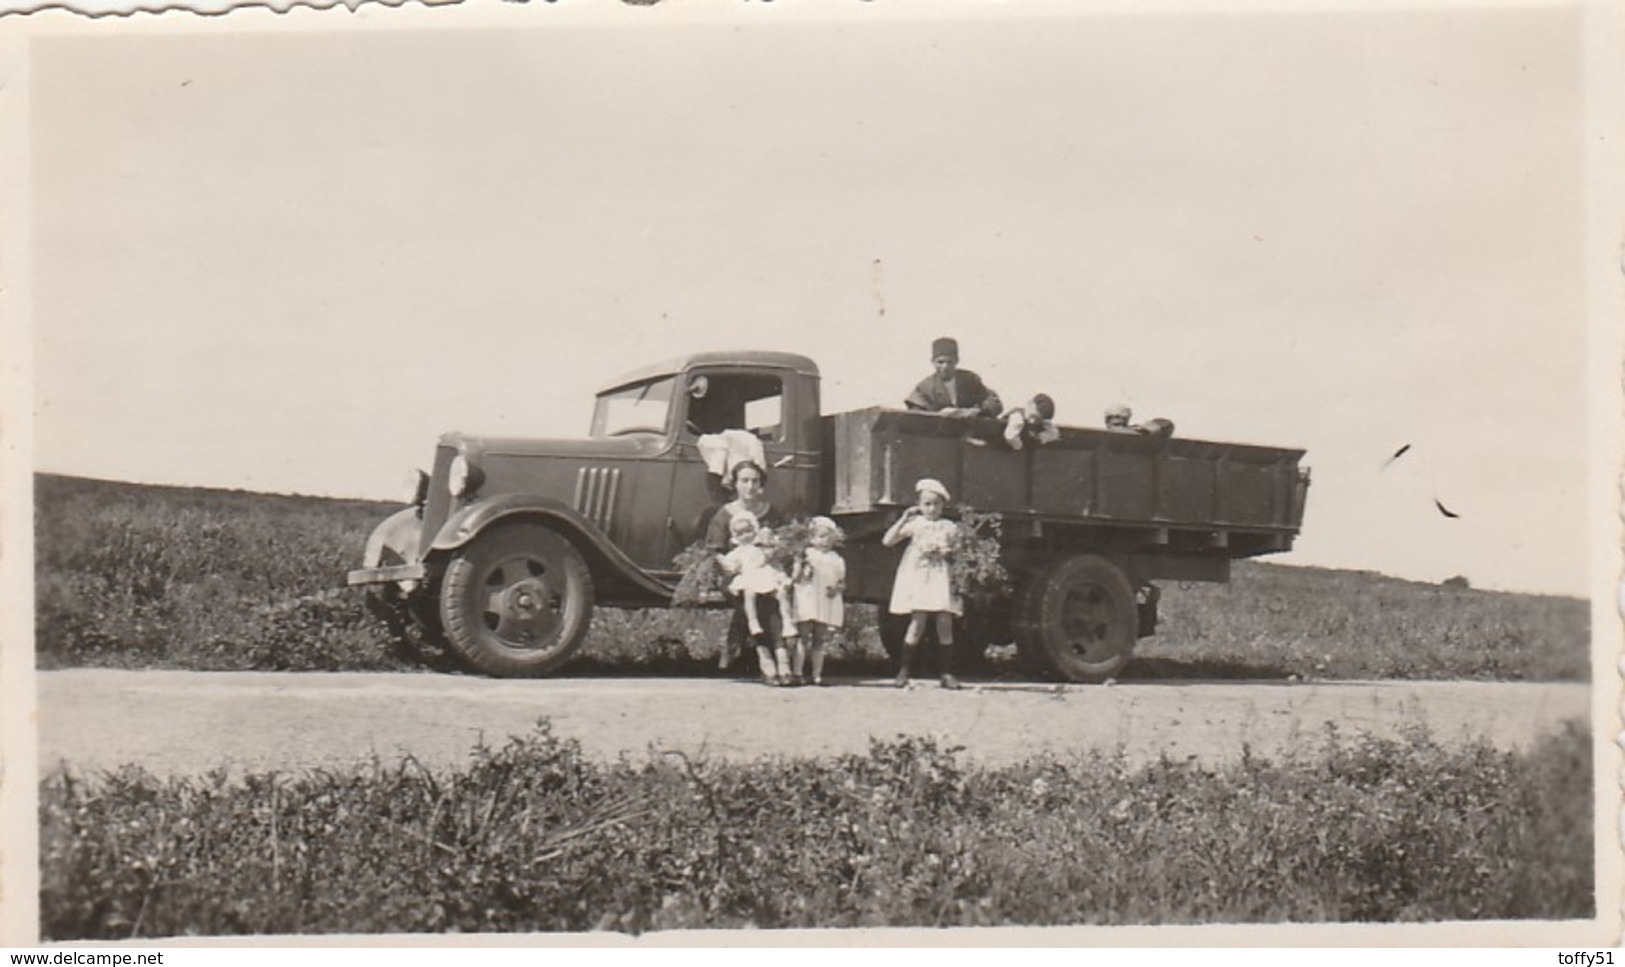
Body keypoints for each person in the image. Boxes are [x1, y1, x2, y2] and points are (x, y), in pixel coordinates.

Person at [705, 461, 791, 682]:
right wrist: (726, 564)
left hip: (766, 571)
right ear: (735, 484)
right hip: (737, 576)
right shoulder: (725, 514)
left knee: (769, 595)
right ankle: (768, 659)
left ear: (761, 485)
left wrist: (774, 550)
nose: (750, 486)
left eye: (755, 481)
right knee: (754, 596)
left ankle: (777, 659)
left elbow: (783, 544)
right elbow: (716, 550)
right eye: (744, 480)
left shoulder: (770, 512)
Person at [882, 478, 964, 690]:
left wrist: (946, 551)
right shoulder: (916, 524)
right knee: (917, 623)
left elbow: (959, 550)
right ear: (919, 505)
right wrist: (902, 519)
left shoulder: (948, 527)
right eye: (927, 504)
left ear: (942, 506)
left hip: (941, 577)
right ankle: (904, 671)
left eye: (936, 504)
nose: (932, 509)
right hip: (921, 577)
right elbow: (888, 541)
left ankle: (947, 672)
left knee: (944, 623)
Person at [718, 512, 794, 647]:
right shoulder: (738, 552)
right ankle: (753, 622)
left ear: (754, 530)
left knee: (781, 593)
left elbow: (773, 558)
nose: (746, 536)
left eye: (748, 531)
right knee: (749, 593)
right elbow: (732, 566)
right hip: (749, 577)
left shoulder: (760, 548)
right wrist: (726, 565)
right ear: (735, 537)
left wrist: (770, 547)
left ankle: (788, 622)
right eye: (740, 534)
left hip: (765, 576)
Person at [790, 516, 846, 687]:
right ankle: (797, 672)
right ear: (811, 538)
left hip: (825, 600)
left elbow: (842, 582)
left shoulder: (837, 559)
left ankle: (817, 675)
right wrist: (802, 568)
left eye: (829, 537)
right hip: (808, 598)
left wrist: (836, 589)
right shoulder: (807, 555)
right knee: (803, 636)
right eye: (821, 536)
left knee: (819, 639)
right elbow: (796, 578)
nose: (825, 541)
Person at [904, 337, 1002, 418]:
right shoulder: (924, 388)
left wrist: (974, 412)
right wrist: (939, 415)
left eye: (950, 362)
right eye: (940, 362)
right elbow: (915, 414)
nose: (945, 367)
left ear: (957, 361)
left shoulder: (970, 379)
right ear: (933, 362)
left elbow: (994, 402)